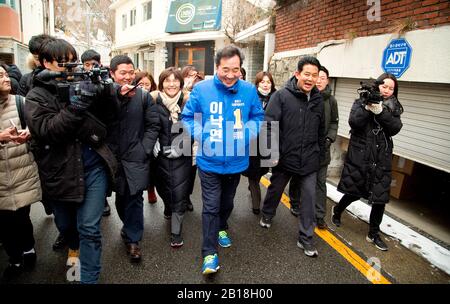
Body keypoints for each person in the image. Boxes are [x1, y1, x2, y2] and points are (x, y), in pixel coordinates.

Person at [24, 38, 118, 283]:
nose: (69, 67)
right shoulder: (36, 95)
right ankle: (73, 246)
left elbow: (110, 118)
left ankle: (88, 278)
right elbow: (47, 131)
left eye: (72, 61)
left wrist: (106, 92)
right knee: (67, 226)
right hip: (59, 172)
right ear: (45, 62)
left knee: (89, 228)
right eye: (62, 62)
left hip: (92, 166)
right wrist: (75, 106)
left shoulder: (85, 81)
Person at [182, 45, 264, 275]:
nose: (230, 75)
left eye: (235, 69)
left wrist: (247, 133)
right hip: (209, 161)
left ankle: (222, 226)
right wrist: (203, 135)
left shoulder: (248, 91)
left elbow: (257, 116)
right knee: (210, 206)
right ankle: (209, 253)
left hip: (236, 161)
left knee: (227, 203)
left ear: (240, 69)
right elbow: (188, 117)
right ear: (217, 67)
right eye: (225, 69)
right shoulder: (202, 90)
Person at [259, 56, 325, 258]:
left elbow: (321, 131)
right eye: (307, 74)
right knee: (276, 189)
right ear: (297, 74)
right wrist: (271, 155)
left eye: (314, 75)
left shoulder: (318, 99)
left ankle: (305, 238)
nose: (310, 79)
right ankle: (267, 213)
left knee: (309, 198)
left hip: (309, 160)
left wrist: (320, 155)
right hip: (285, 158)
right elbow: (268, 127)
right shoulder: (281, 96)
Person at [331, 73, 403, 251]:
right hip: (362, 156)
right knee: (355, 192)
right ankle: (338, 210)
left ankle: (373, 233)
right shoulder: (361, 100)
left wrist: (381, 112)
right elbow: (354, 122)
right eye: (384, 86)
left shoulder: (394, 107)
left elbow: (395, 128)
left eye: (391, 88)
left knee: (379, 198)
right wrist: (367, 106)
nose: (386, 90)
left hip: (381, 158)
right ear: (377, 85)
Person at [0, 62, 42, 281]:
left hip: (21, 170)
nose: (6, 79)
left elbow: (38, 129)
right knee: (4, 223)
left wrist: (29, 133)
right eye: (0, 76)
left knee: (22, 217)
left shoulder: (20, 102)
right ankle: (14, 258)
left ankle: (28, 248)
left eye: (6, 75)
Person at [110, 55, 153, 263]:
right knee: (121, 197)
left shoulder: (144, 96)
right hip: (112, 158)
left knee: (135, 198)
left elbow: (153, 125)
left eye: (131, 72)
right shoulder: (105, 96)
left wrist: (144, 148)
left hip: (136, 157)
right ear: (112, 74)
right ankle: (128, 228)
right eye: (122, 73)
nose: (128, 77)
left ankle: (134, 240)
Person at [289, 66, 339, 229]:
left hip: (322, 149)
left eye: (323, 77)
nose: (319, 80)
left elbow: (334, 122)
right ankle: (295, 202)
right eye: (318, 77)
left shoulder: (331, 101)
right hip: (303, 149)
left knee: (320, 183)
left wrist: (329, 138)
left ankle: (319, 216)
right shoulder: (305, 97)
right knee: (297, 177)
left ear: (327, 80)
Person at [148, 67, 192, 247]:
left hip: (182, 156)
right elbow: (147, 125)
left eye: (175, 80)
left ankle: (176, 232)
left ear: (181, 83)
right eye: (167, 80)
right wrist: (152, 143)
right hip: (160, 156)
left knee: (180, 193)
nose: (171, 84)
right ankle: (167, 205)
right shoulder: (152, 100)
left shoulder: (189, 101)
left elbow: (195, 128)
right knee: (164, 188)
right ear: (161, 83)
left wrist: (183, 148)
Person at [81, 49, 112, 217]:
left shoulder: (106, 80)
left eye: (94, 64)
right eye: (87, 64)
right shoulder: (78, 80)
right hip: (84, 130)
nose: (90, 68)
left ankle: (103, 199)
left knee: (102, 168)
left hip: (102, 130)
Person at [243, 71, 276, 215]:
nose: (266, 84)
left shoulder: (277, 97)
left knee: (263, 170)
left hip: (270, 139)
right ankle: (256, 205)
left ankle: (254, 185)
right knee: (253, 173)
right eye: (263, 82)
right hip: (252, 140)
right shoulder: (251, 97)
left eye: (268, 82)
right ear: (257, 84)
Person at [134, 71, 158, 205]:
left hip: (151, 138)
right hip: (135, 137)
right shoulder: (129, 96)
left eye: (147, 84)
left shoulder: (155, 98)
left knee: (152, 167)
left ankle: (151, 189)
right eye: (140, 84)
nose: (144, 87)